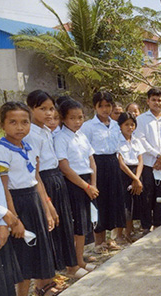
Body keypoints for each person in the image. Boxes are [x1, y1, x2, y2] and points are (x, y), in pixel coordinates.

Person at [0, 102, 57, 296]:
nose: (19, 127)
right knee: (22, 256)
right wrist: (15, 220)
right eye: (13, 122)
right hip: (16, 203)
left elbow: (36, 178)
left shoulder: (29, 147)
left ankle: (30, 295)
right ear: (3, 124)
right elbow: (4, 188)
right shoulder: (1, 150)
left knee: (34, 253)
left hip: (33, 201)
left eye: (24, 122)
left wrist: (47, 208)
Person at [25, 90, 85, 278]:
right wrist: (47, 200)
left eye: (51, 109)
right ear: (30, 109)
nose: (49, 113)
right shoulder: (31, 135)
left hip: (56, 178)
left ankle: (70, 266)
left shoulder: (46, 131)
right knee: (50, 228)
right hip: (44, 181)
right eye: (43, 109)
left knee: (64, 225)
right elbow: (35, 171)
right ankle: (49, 277)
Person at [54, 99, 99, 278]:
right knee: (76, 224)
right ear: (63, 118)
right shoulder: (60, 138)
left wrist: (93, 184)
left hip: (87, 182)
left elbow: (91, 161)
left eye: (80, 117)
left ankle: (80, 259)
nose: (77, 121)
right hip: (74, 183)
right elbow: (64, 167)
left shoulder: (82, 136)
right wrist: (86, 186)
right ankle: (73, 263)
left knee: (84, 223)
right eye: (72, 118)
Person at [80, 91, 125, 252]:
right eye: (101, 106)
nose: (105, 109)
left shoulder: (114, 125)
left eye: (108, 105)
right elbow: (86, 150)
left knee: (112, 201)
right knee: (100, 201)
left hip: (112, 163)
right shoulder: (88, 127)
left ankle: (109, 239)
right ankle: (98, 241)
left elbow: (118, 146)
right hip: (97, 164)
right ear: (95, 107)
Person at [134, 88, 161, 231]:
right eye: (153, 99)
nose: (156, 103)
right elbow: (141, 140)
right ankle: (146, 226)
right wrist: (158, 156)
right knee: (147, 195)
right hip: (147, 164)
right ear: (148, 101)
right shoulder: (141, 120)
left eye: (159, 100)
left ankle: (158, 224)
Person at [116, 112, 144, 241]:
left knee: (134, 204)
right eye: (126, 124)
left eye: (132, 124)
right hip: (124, 174)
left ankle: (129, 233)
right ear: (120, 126)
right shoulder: (117, 140)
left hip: (136, 174)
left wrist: (137, 178)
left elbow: (140, 160)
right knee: (124, 205)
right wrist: (134, 178)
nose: (130, 127)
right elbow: (121, 163)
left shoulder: (136, 140)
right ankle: (120, 235)